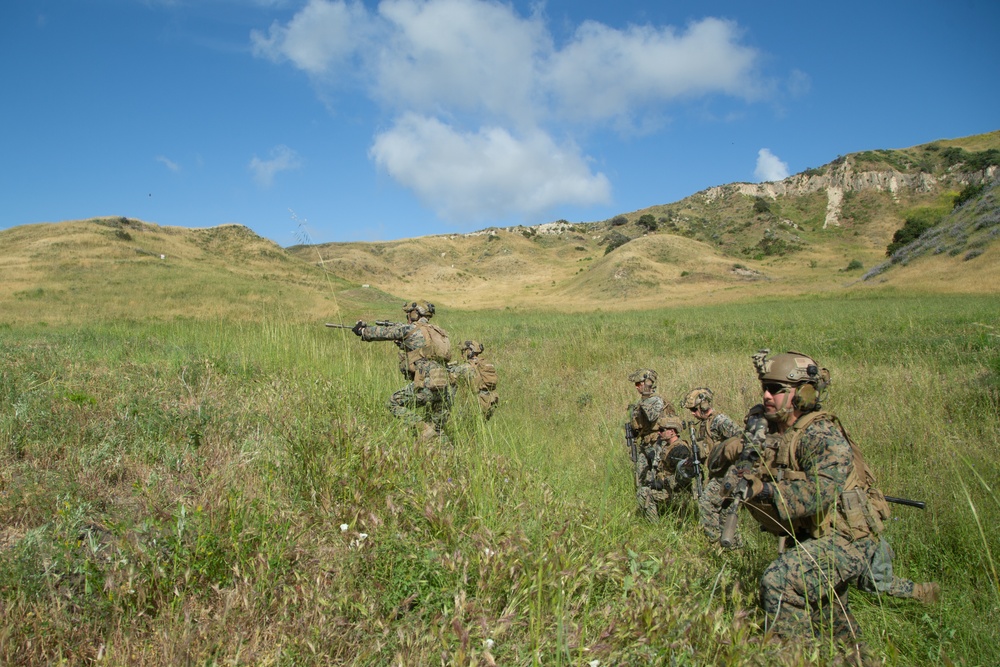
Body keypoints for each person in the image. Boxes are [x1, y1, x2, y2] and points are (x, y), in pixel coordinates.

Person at [734, 350, 938, 661]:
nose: (766, 395)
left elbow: (818, 493)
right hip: (818, 537)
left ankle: (794, 658)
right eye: (765, 387)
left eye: (776, 389)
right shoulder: (780, 430)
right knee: (828, 613)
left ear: (802, 393)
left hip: (849, 540)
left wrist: (762, 490)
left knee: (780, 581)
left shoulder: (821, 434)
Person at [353, 301, 452, 441]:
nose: (407, 317)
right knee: (436, 430)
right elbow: (428, 352)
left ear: (415, 313)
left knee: (393, 403)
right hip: (443, 387)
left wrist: (362, 330)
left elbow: (383, 333)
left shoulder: (411, 329)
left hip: (427, 383)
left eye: (408, 314)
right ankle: (448, 455)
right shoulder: (439, 333)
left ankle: (422, 428)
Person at [682, 387, 746, 545]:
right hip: (718, 474)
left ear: (703, 406)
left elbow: (741, 441)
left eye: (694, 409)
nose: (692, 413)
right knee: (724, 512)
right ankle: (733, 547)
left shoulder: (720, 420)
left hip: (728, 474)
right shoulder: (704, 424)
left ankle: (715, 542)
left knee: (706, 504)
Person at [627, 369, 677, 520]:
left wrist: (645, 399)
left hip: (658, 444)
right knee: (642, 479)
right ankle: (647, 512)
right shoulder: (641, 403)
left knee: (658, 478)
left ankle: (662, 512)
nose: (636, 387)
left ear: (646, 383)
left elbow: (652, 415)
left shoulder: (656, 401)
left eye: (638, 384)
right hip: (645, 444)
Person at [636, 414, 694, 520]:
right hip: (668, 489)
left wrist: (662, 483)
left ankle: (653, 525)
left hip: (677, 492)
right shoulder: (667, 446)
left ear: (672, 432)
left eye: (662, 430)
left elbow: (684, 478)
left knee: (643, 493)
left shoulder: (680, 450)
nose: (659, 432)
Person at [449, 340, 499, 420]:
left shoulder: (464, 368)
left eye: (463, 352)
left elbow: (452, 387)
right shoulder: (485, 364)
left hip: (476, 404)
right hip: (490, 401)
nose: (462, 355)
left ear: (468, 351)